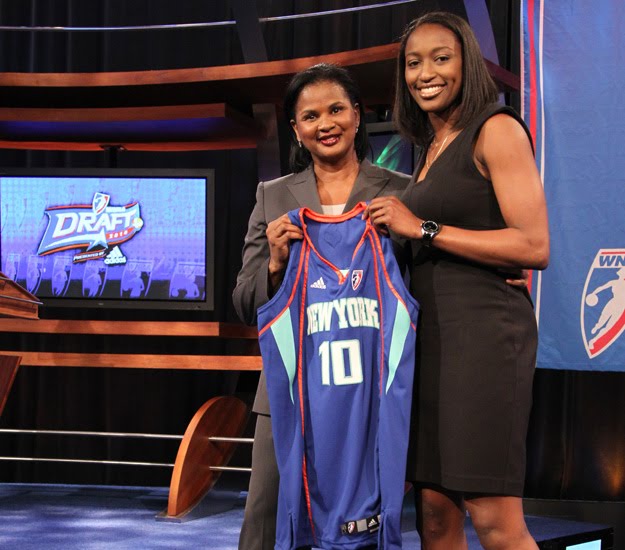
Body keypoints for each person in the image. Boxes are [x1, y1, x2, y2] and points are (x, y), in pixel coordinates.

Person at [365, 11, 549, 550]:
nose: (425, 73)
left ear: (467, 63)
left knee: (494, 521)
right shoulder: (430, 147)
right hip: (431, 343)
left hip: (484, 341)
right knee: (435, 517)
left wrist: (420, 226)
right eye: (413, 63)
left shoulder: (496, 129)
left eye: (440, 58)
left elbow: (534, 245)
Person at [232, 62, 411, 550]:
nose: (325, 124)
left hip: (370, 395)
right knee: (267, 520)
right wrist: (274, 264)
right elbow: (245, 303)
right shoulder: (272, 197)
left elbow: (419, 292)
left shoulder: (401, 191)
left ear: (357, 115)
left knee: (363, 525)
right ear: (296, 129)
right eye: (310, 116)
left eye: (336, 110)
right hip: (289, 392)